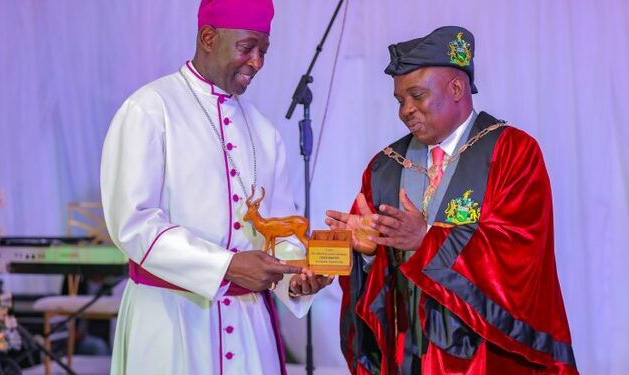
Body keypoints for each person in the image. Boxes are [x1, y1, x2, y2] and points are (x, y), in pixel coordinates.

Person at [326, 26, 578, 374]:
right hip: (408, 356)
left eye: (417, 95)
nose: (405, 111)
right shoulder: (385, 167)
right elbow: (371, 286)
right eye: (400, 100)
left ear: (457, 88)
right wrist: (367, 254)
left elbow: (520, 253)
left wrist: (427, 237)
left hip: (486, 359)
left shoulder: (512, 152)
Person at [100, 1, 332, 374]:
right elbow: (133, 223)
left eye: (263, 52)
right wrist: (225, 266)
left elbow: (278, 227)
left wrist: (296, 277)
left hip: (248, 328)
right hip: (171, 320)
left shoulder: (264, 131)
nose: (256, 62)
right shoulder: (149, 110)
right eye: (247, 48)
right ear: (208, 38)